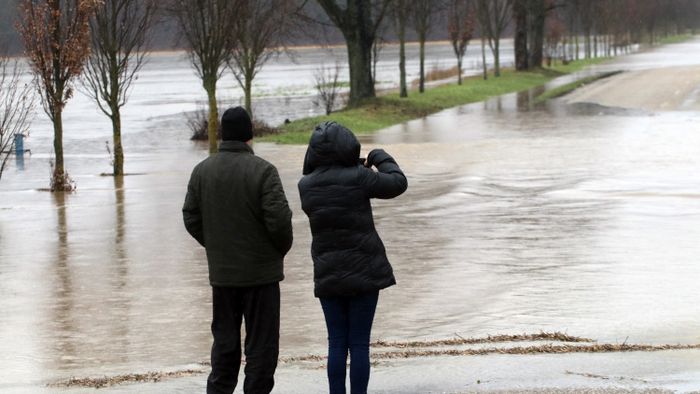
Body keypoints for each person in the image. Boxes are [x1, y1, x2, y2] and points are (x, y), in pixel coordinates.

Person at [182, 106, 293, 394]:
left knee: (224, 344)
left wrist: (217, 245)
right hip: (262, 276)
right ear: (249, 137)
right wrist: (276, 252)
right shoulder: (264, 171)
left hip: (223, 275)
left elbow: (191, 216)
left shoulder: (202, 171)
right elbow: (279, 222)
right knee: (261, 347)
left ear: (222, 136)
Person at [298, 122, 407, 394]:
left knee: (336, 343)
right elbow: (397, 183)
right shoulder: (360, 177)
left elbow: (318, 175)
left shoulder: (305, 186)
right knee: (359, 343)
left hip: (327, 273)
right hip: (365, 272)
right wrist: (379, 156)